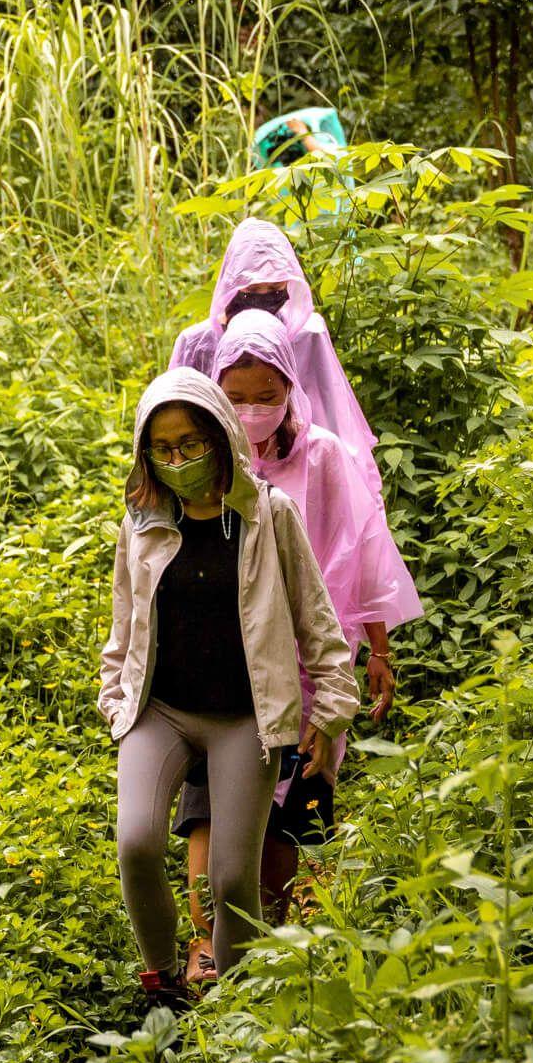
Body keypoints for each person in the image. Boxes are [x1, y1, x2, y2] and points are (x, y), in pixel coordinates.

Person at [176, 309, 425, 981]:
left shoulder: (325, 458)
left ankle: (274, 937)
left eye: (267, 396)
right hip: (221, 664)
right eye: (237, 397)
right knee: (209, 804)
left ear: (292, 386)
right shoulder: (198, 460)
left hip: (311, 662)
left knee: (297, 807)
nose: (253, 411)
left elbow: (365, 555)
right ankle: (207, 946)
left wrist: (377, 650)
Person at [99, 368, 358, 1009]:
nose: (178, 460)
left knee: (233, 877)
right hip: (162, 711)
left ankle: (234, 1000)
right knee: (136, 841)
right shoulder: (143, 525)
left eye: (190, 443)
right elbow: (125, 623)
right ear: (146, 454)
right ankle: (162, 980)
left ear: (221, 440)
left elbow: (317, 623)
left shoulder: (270, 517)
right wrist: (116, 700)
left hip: (246, 718)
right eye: (162, 449)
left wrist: (328, 715)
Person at [168, 217, 380, 499]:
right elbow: (174, 423)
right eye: (252, 290)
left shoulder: (307, 336)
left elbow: (335, 417)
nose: (263, 298)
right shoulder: (198, 344)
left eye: (273, 289)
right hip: (218, 481)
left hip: (300, 476)